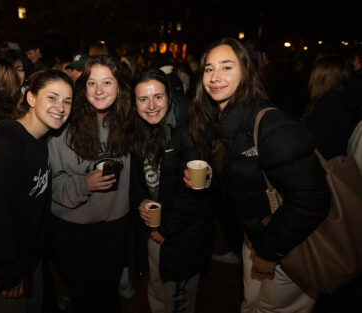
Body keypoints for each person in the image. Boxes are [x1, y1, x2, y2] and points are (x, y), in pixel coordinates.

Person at [185, 37, 330, 313]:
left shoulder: (272, 124)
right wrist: (209, 181)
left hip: (293, 244)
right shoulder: (221, 122)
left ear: (246, 72)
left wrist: (269, 250)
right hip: (256, 236)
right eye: (208, 68)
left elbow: (312, 201)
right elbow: (245, 178)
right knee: (250, 305)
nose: (215, 76)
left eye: (227, 67)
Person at [0, 65, 73, 313]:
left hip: (26, 266)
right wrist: (8, 274)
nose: (60, 107)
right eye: (51, 97)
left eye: (67, 101)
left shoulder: (40, 141)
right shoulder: (3, 144)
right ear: (31, 98)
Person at [48, 55, 134, 313]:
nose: (99, 90)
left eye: (107, 82)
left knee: (108, 296)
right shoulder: (63, 125)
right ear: (82, 87)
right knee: (83, 297)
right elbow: (50, 184)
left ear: (119, 87)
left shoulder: (130, 123)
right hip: (73, 229)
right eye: (92, 83)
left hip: (114, 226)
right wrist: (85, 184)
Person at [130, 68, 214, 313]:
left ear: (169, 96)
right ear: (134, 103)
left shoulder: (188, 130)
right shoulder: (137, 129)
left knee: (179, 299)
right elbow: (136, 178)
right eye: (143, 99)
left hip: (182, 235)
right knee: (156, 288)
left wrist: (165, 230)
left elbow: (192, 194)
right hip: (153, 229)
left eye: (158, 96)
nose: (152, 105)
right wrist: (141, 201)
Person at [302, 55, 360, 160]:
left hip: (324, 169)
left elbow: (306, 144)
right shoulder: (343, 99)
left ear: (320, 79)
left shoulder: (327, 108)